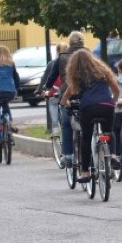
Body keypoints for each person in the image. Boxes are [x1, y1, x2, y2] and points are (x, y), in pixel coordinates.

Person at [60, 50, 120, 184]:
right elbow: (116, 89)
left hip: (87, 107)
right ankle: (113, 156)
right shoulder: (103, 71)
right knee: (108, 131)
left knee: (86, 138)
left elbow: (65, 98)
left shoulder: (77, 76)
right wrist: (113, 101)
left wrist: (67, 104)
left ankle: (85, 172)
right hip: (106, 105)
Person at [43, 31, 87, 167]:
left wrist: (47, 87)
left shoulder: (62, 57)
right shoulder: (89, 54)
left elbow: (51, 76)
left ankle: (67, 155)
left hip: (68, 94)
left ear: (70, 42)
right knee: (87, 121)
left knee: (66, 124)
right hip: (86, 92)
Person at [40, 42, 68, 136]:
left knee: (52, 102)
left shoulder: (53, 62)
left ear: (57, 51)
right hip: (69, 91)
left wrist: (42, 90)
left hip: (57, 90)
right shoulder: (71, 60)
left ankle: (55, 127)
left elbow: (47, 79)